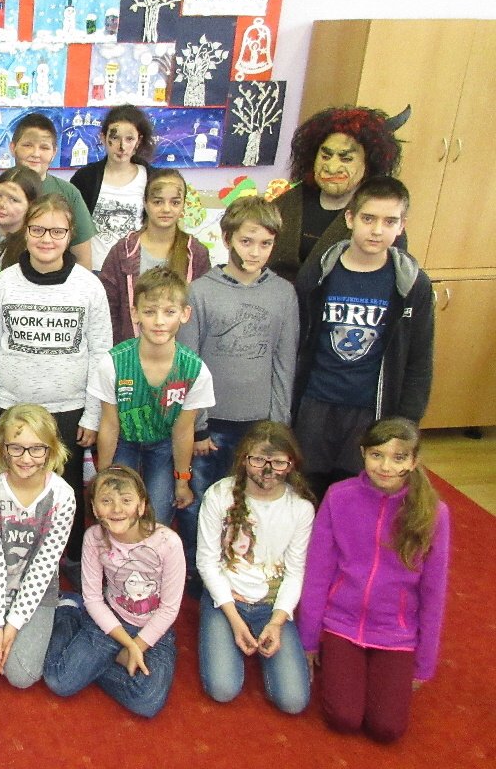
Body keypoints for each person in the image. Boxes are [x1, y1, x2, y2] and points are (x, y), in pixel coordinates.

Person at [0, 193, 111, 576]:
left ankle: (69, 563)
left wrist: (93, 415)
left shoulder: (89, 286)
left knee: (66, 492)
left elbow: (102, 355)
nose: (46, 239)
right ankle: (6, 561)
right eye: (38, 230)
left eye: (56, 231)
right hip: (11, 409)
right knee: (10, 488)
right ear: (26, 231)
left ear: (70, 234)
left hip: (69, 410)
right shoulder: (3, 284)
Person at [299, 417, 450, 743]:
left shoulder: (434, 513)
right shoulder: (339, 496)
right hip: (341, 623)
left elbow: (434, 592)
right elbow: (317, 572)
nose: (385, 466)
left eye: (398, 458)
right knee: (344, 717)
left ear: (413, 461)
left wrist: (424, 663)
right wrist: (308, 640)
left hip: (396, 632)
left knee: (387, 728)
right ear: (363, 453)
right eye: (377, 455)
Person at [177, 195, 297, 582]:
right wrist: (197, 426)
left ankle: (240, 571)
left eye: (265, 243)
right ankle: (199, 572)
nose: (255, 252)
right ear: (227, 238)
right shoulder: (200, 292)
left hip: (258, 425)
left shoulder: (283, 294)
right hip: (210, 426)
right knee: (201, 501)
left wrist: (277, 428)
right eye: (246, 241)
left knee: (249, 503)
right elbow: (189, 364)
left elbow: (284, 362)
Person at [293, 176, 434, 500]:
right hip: (315, 404)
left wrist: (407, 424)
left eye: (389, 221)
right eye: (368, 218)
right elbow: (297, 344)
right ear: (350, 218)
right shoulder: (318, 274)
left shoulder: (413, 285)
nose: (377, 230)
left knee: (358, 494)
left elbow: (420, 360)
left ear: (402, 226)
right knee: (306, 490)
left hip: (371, 410)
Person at [43, 466, 183, 718]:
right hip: (110, 620)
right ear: (95, 508)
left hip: (154, 628)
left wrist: (138, 644)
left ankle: (94, 665)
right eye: (106, 501)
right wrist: (128, 645)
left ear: (141, 506)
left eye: (126, 501)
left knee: (147, 702)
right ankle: (68, 613)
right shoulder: (94, 537)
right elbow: (94, 599)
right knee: (59, 682)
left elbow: (169, 608)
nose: (117, 509)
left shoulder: (168, 542)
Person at [196, 421, 315, 715]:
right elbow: (207, 562)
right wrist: (234, 620)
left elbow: (295, 572)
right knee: (223, 689)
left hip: (271, 604)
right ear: (243, 459)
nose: (268, 470)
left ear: (291, 463)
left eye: (278, 462)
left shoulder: (301, 508)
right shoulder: (219, 495)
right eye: (259, 460)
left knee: (293, 701)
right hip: (226, 601)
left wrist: (277, 622)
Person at [0, 404, 76, 688]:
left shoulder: (63, 496)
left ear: (51, 449)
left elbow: (44, 566)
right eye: (16, 448)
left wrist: (14, 624)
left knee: (22, 676)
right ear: (3, 448)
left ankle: (67, 611)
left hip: (37, 586)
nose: (26, 458)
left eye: (37, 449)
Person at [95, 266, 214, 538]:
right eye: (149, 312)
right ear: (135, 313)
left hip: (162, 445)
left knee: (157, 517)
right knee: (117, 511)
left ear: (184, 314)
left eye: (169, 312)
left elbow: (183, 430)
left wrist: (182, 480)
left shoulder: (194, 370)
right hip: (123, 441)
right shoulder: (113, 362)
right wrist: (103, 476)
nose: (159, 321)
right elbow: (110, 425)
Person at [269, 106, 404, 284]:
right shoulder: (285, 204)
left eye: (346, 159)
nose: (332, 168)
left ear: (368, 164)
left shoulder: (381, 217)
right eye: (325, 156)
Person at [0, 113, 97, 269]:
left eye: (44, 147)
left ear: (54, 152)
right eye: (27, 145)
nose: (35, 154)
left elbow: (83, 258)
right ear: (13, 147)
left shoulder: (69, 193)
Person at [99, 168, 211, 344]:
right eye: (158, 202)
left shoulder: (196, 254)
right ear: (145, 203)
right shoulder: (123, 251)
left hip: (179, 354)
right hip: (130, 353)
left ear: (183, 204)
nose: (166, 209)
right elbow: (107, 310)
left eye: (175, 202)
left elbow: (202, 313)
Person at [69, 104, 155, 269]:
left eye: (129, 139)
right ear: (103, 138)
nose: (122, 147)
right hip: (94, 269)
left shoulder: (150, 178)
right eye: (115, 138)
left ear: (138, 141)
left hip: (135, 270)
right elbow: (73, 226)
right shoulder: (85, 178)